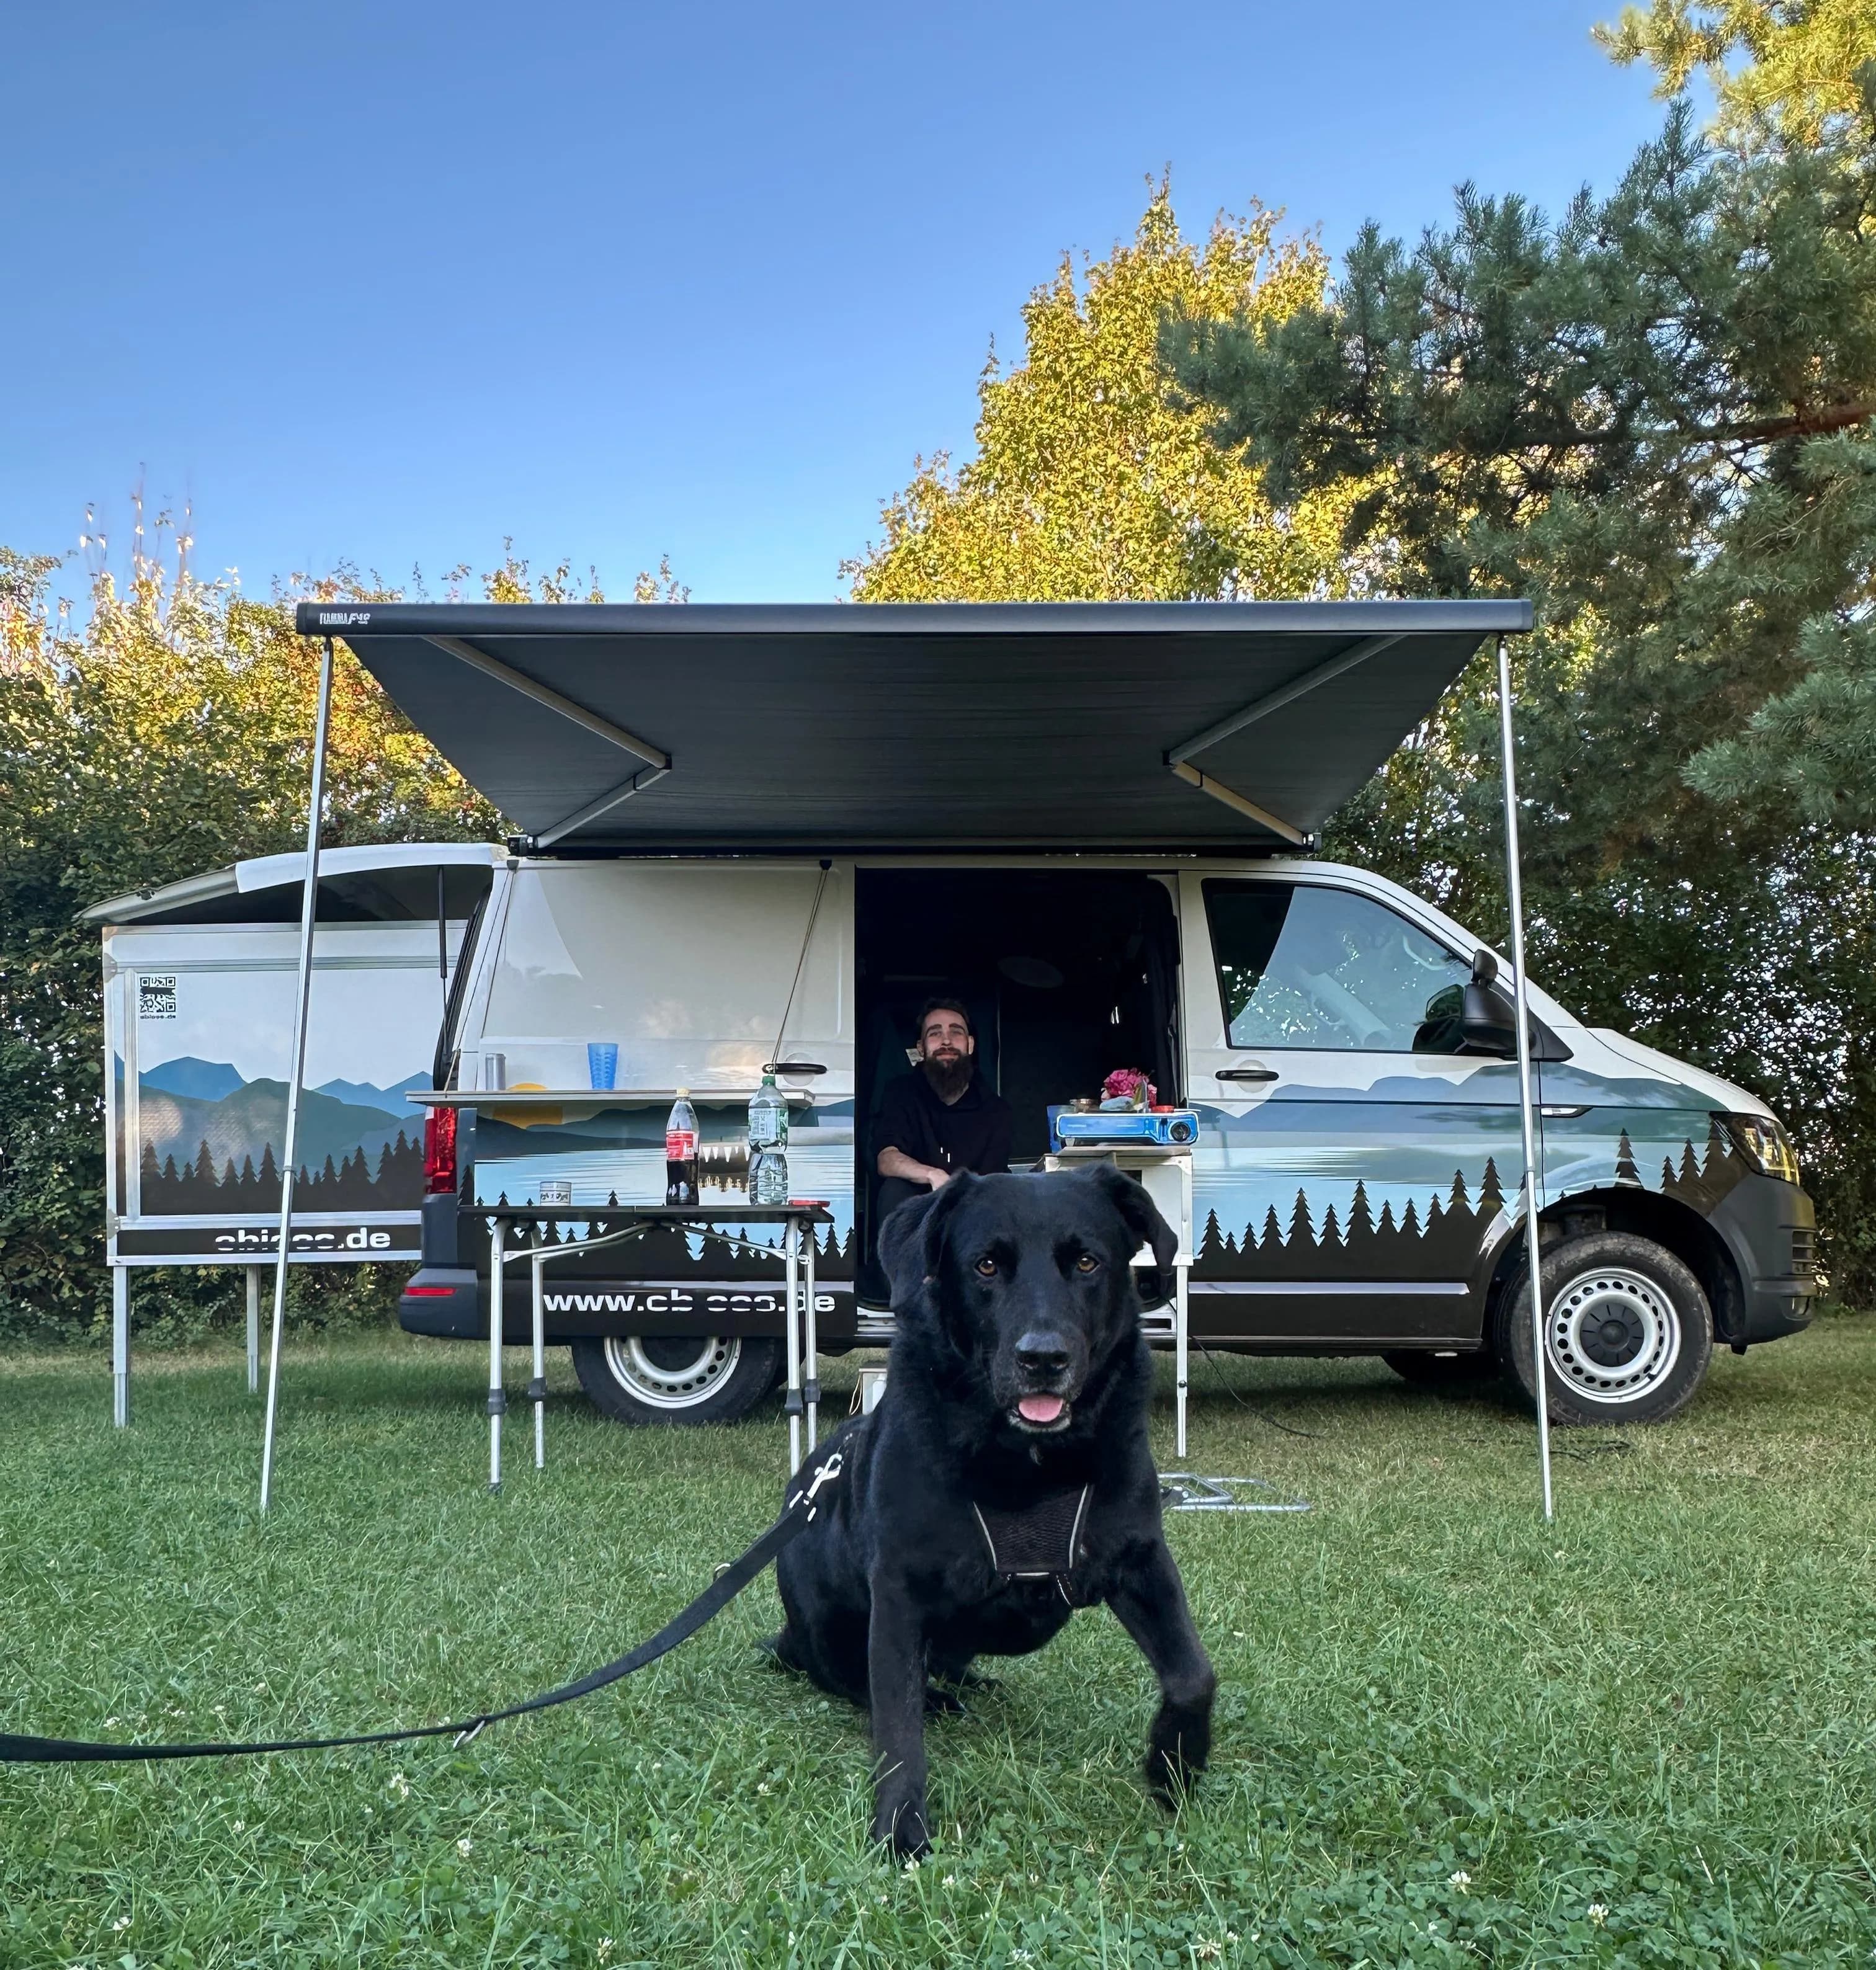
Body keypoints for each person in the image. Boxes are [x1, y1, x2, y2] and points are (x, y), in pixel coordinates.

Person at [874, 998, 1014, 1223]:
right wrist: (932, 1175)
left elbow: (992, 1181)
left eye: (956, 1033)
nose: (946, 1041)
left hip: (974, 1210)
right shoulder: (900, 1093)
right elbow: (887, 1159)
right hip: (918, 1210)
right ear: (921, 1048)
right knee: (894, 1189)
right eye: (935, 1033)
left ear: (970, 1044)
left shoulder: (996, 1110)